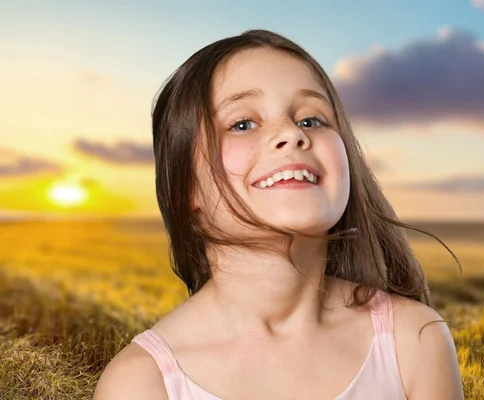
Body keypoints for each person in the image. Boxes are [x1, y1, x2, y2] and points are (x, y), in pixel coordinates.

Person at [93, 29, 464, 400]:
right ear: (185, 185)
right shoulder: (141, 383)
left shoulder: (414, 339)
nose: (291, 133)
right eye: (242, 124)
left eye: (311, 120)